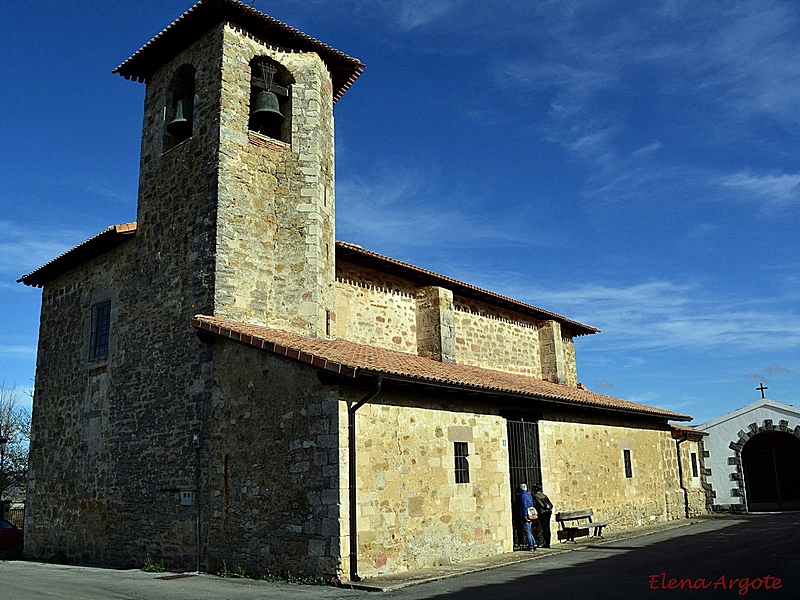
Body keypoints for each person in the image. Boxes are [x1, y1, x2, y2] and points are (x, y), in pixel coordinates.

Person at [516, 483, 537, 550]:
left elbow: (524, 506)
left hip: (525, 514)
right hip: (530, 514)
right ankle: (534, 543)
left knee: (527, 531)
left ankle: (531, 545)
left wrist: (525, 515)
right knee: (529, 530)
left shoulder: (522, 496)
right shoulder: (529, 495)